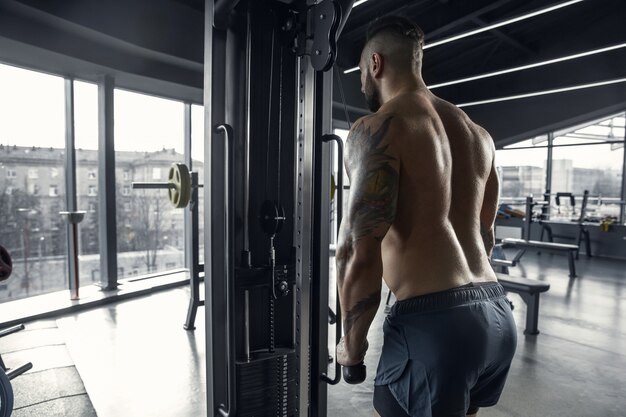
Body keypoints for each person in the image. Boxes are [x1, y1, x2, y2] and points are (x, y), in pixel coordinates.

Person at [334, 15, 517, 417]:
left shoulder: (379, 129)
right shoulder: (476, 134)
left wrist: (352, 346)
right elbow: (485, 235)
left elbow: (357, 250)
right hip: (496, 315)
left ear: (375, 64)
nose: (362, 83)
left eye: (362, 72)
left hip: (435, 327)